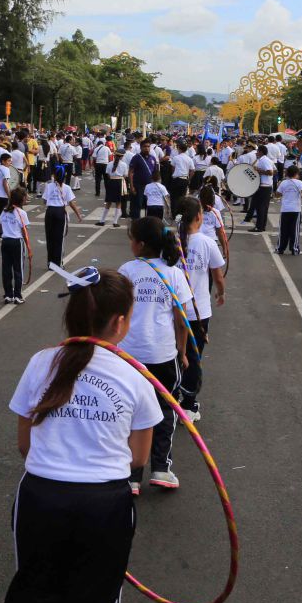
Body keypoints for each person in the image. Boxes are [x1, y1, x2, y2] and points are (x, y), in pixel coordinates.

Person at [4, 267, 160, 603]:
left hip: (40, 498)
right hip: (104, 506)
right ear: (120, 322)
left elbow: (25, 444)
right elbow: (138, 457)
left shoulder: (41, 363)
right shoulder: (136, 378)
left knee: (35, 596)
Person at [119, 216, 192, 492]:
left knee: (131, 411)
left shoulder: (127, 270)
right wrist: (182, 352)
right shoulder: (173, 272)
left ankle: (132, 474)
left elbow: (119, 312)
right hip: (162, 354)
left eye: (130, 239)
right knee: (164, 410)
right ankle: (161, 468)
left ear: (139, 244)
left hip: (129, 355)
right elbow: (182, 320)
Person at [176, 199, 226, 422]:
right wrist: (221, 292)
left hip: (174, 309)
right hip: (198, 312)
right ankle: (188, 403)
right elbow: (217, 276)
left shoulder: (171, 241)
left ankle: (173, 397)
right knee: (193, 357)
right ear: (199, 217)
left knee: (176, 354)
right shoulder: (207, 243)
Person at [41, 166, 83, 267]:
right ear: (64, 176)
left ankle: (50, 263)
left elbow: (44, 201)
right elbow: (71, 203)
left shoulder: (49, 186)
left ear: (54, 176)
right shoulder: (67, 188)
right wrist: (79, 215)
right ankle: (58, 263)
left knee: (50, 238)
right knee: (59, 239)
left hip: (50, 212)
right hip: (60, 212)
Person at [0, 187, 32, 304]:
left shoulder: (5, 210)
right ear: (22, 200)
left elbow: (0, 226)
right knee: (18, 269)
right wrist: (28, 247)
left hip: (5, 241)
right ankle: (18, 295)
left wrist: (7, 229)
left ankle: (8, 294)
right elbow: (24, 231)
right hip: (17, 242)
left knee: (6, 268)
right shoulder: (22, 213)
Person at [275, 165, 302, 255]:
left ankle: (280, 248)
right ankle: (294, 249)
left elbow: (277, 195)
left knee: (283, 230)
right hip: (296, 210)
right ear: (296, 174)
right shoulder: (299, 183)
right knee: (295, 231)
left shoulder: (283, 183)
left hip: (285, 209)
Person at [0, 151, 15, 240]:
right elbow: (5, 184)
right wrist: (10, 196)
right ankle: (0, 234)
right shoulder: (6, 169)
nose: (10, 163)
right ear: (3, 161)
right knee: (2, 216)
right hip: (2, 196)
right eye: (8, 161)